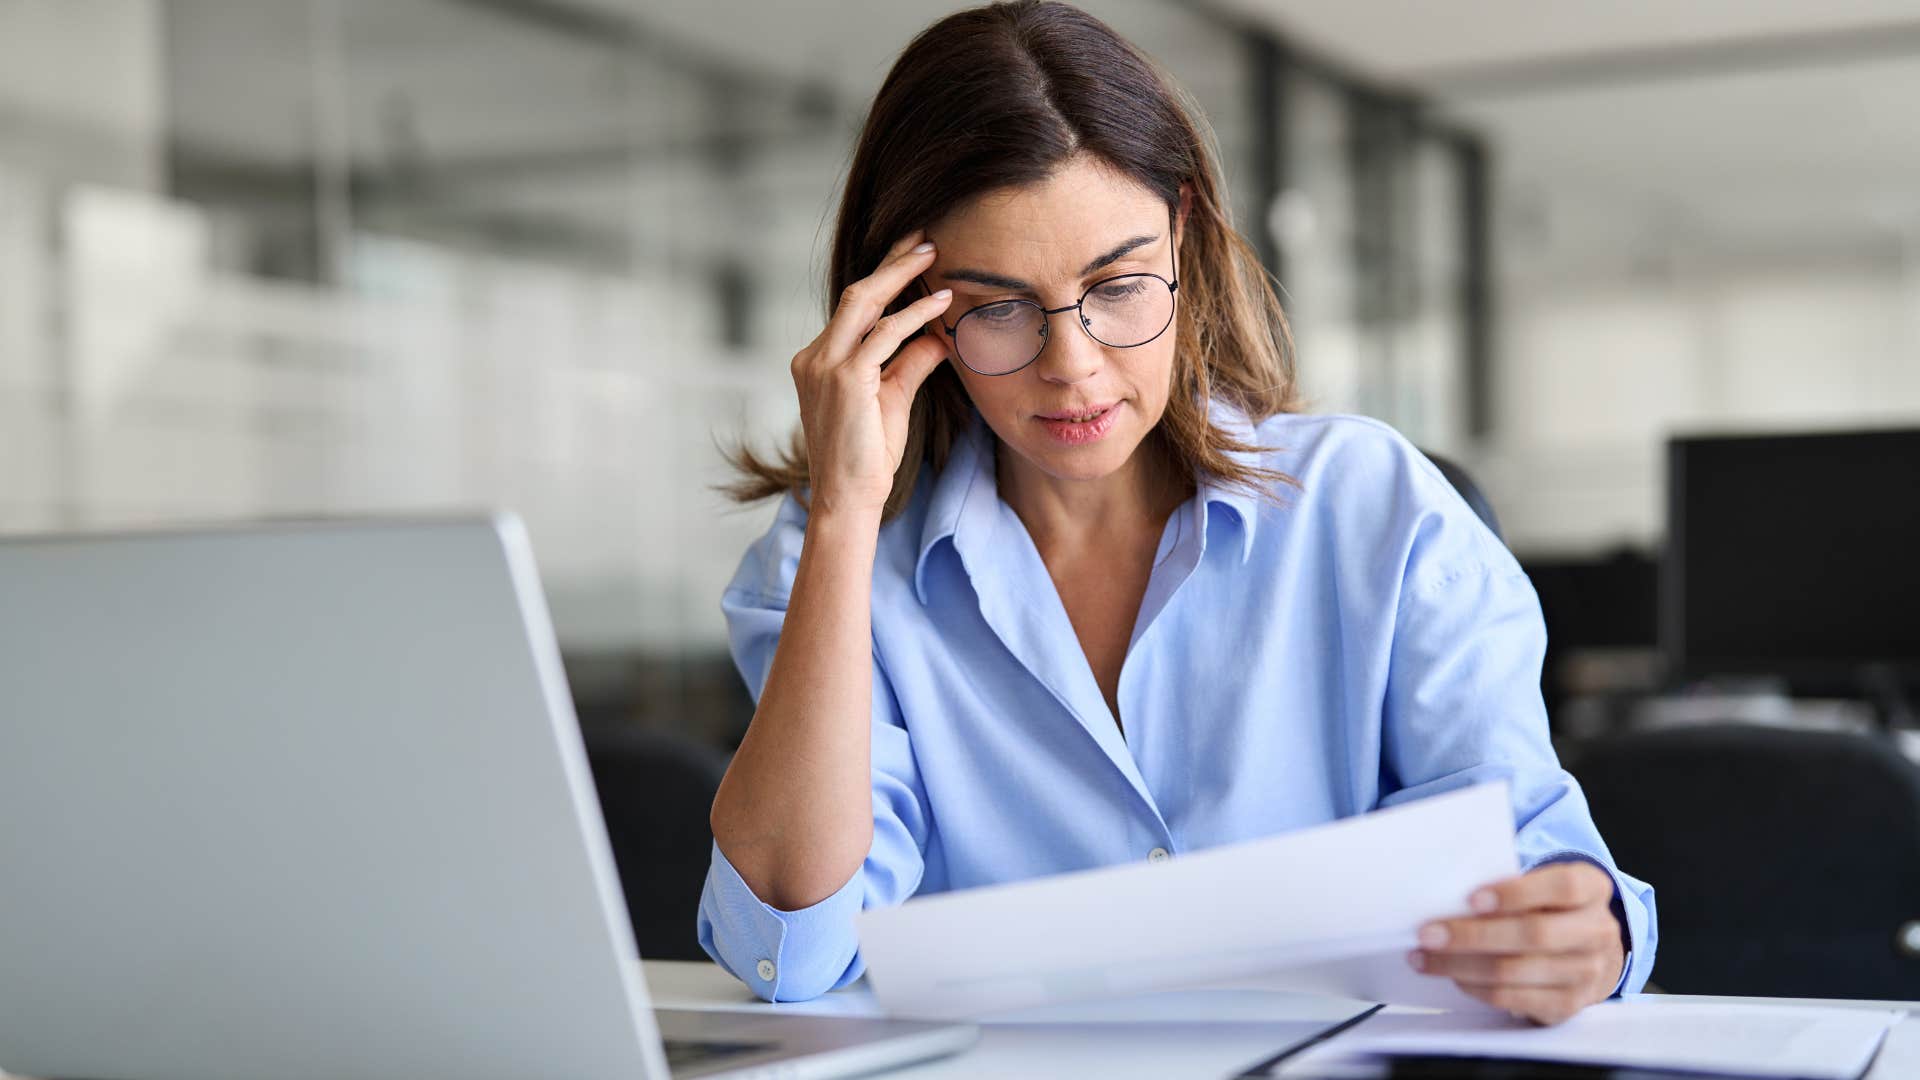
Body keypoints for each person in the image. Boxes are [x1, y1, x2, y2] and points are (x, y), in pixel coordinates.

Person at [699, 0, 1655, 1025]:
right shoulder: (829, 561)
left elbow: (1535, 851)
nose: (1074, 369)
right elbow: (794, 942)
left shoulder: (1373, 509)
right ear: (901, 313)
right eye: (997, 308)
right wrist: (846, 513)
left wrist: (1584, 927)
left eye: (1116, 285)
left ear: (1184, 237)